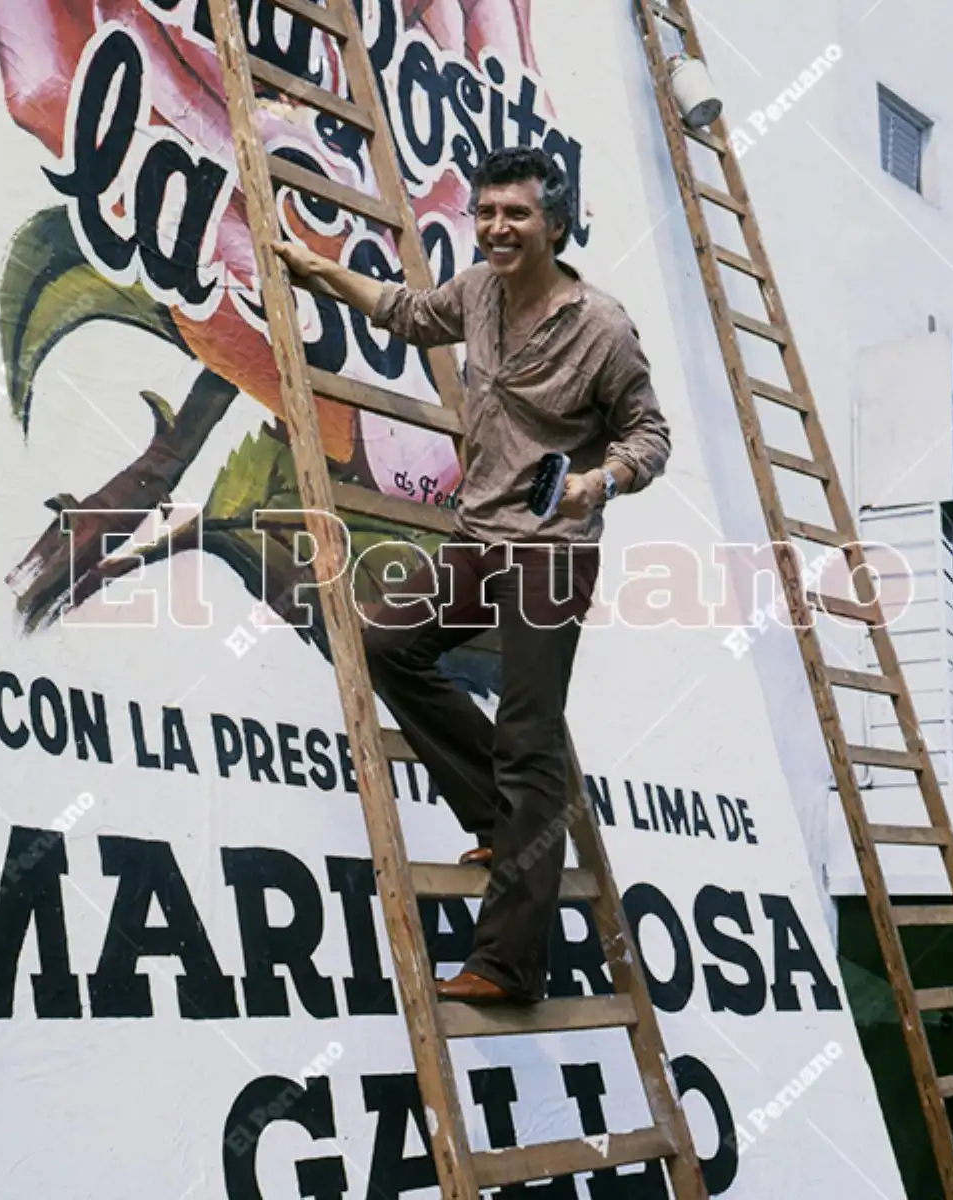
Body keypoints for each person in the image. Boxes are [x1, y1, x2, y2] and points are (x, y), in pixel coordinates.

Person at [272, 146, 670, 1005]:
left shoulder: (602, 325)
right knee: (386, 645)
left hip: (552, 555)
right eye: (486, 213)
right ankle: (496, 818)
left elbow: (650, 435)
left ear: (553, 226)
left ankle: (512, 964)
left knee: (530, 738)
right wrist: (318, 272)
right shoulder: (480, 292)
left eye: (515, 214)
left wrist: (602, 480)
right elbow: (412, 314)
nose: (495, 228)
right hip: (480, 538)